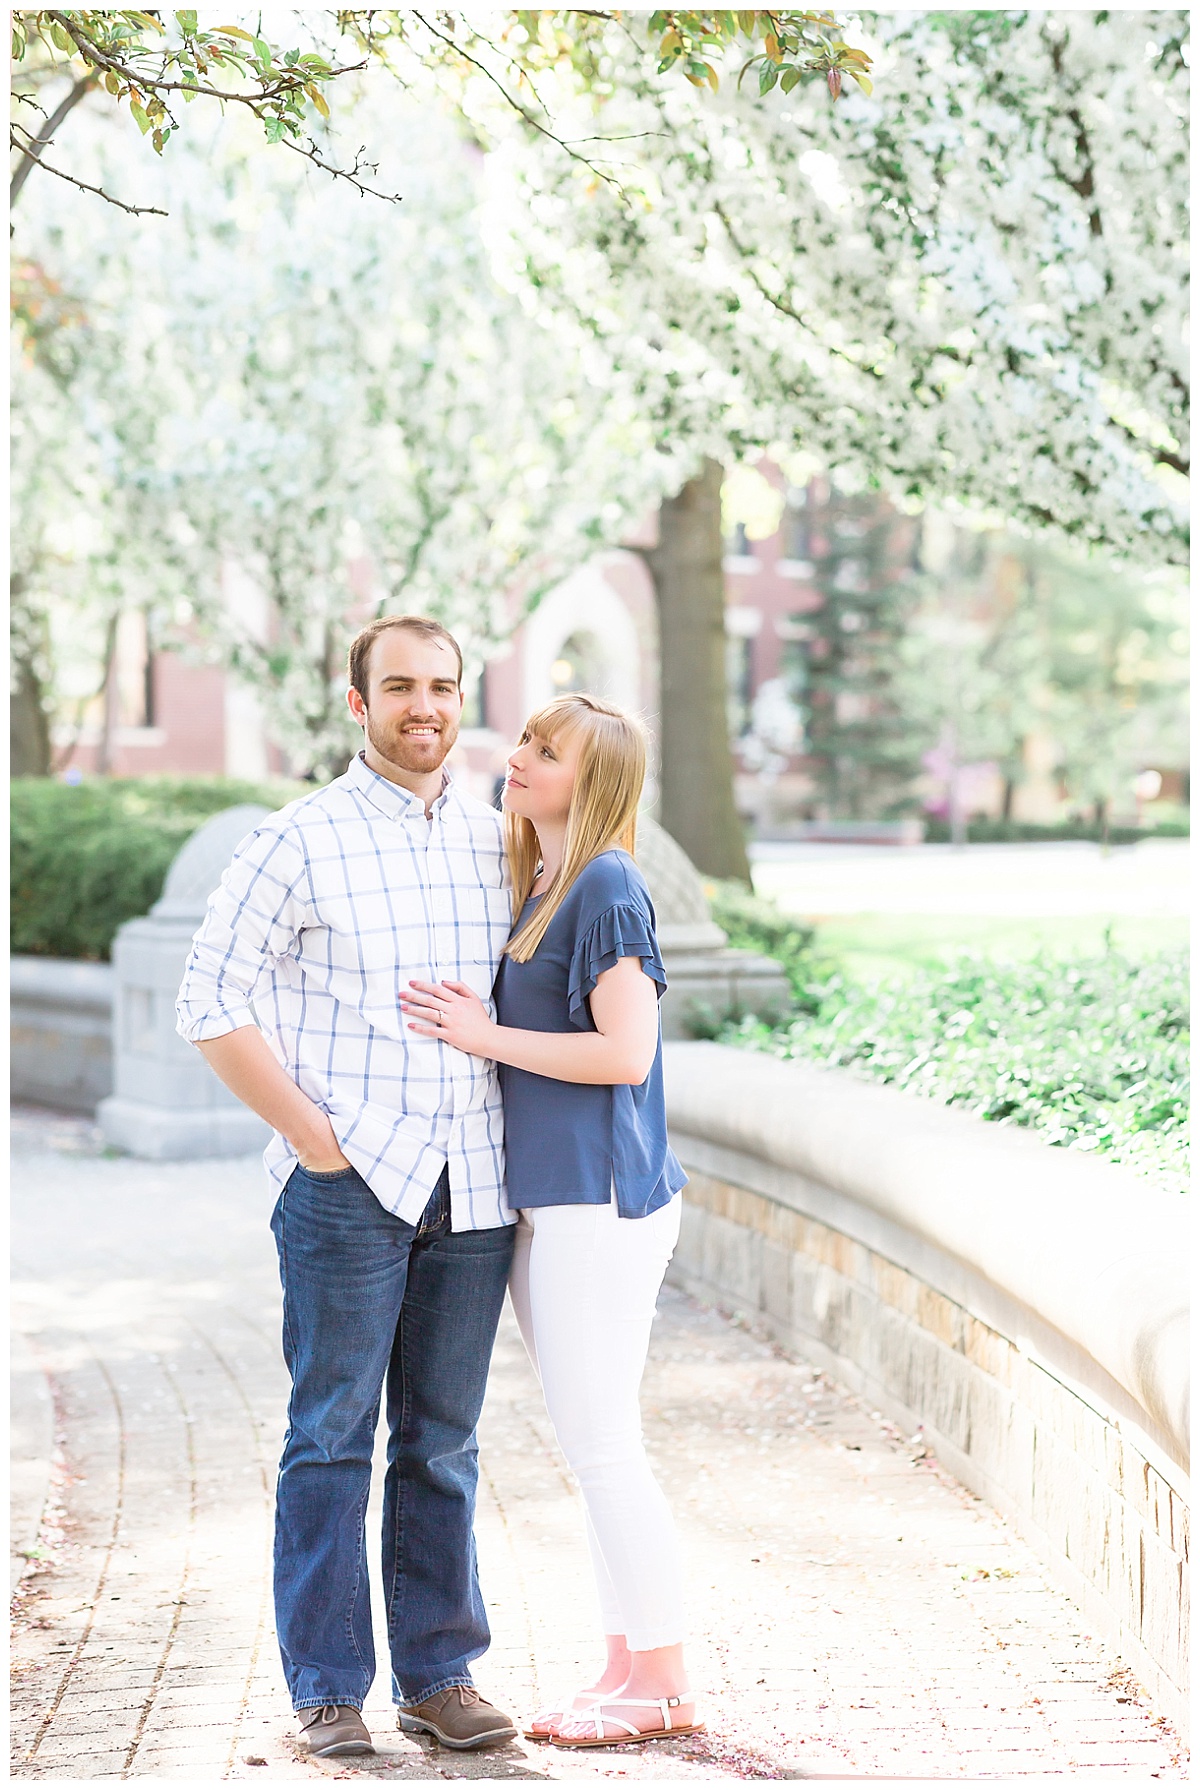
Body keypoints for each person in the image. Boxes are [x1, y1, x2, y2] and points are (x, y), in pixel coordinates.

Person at [175, 616, 519, 1759]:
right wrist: (314, 1136)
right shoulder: (299, 839)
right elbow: (208, 999)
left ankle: (440, 1673)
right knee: (330, 1435)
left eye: (444, 686)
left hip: (472, 1186)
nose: (427, 706)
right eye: (402, 686)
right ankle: (326, 1685)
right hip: (346, 1185)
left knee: (443, 1441)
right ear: (357, 700)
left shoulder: (497, 840)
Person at [399, 692, 701, 1750]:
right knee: (593, 1442)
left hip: (600, 1200)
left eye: (544, 749)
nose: (516, 757)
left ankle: (662, 1677)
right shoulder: (543, 878)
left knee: (605, 1443)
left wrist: (484, 1036)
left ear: (593, 777)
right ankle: (628, 1667)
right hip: (554, 1198)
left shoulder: (608, 886)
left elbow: (626, 1054)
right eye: (523, 740)